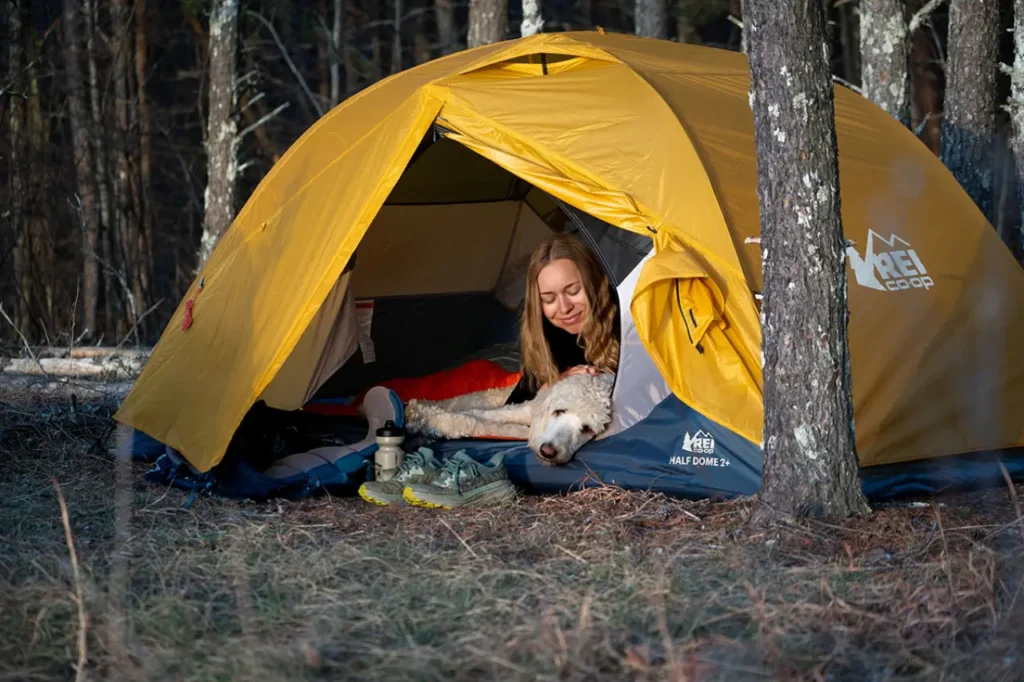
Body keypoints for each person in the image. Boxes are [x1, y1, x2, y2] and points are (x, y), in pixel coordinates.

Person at [505, 232, 620, 405]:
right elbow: (518, 403)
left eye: (573, 291)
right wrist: (560, 380)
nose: (565, 308)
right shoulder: (551, 329)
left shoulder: (627, 318)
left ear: (595, 284)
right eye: (549, 299)